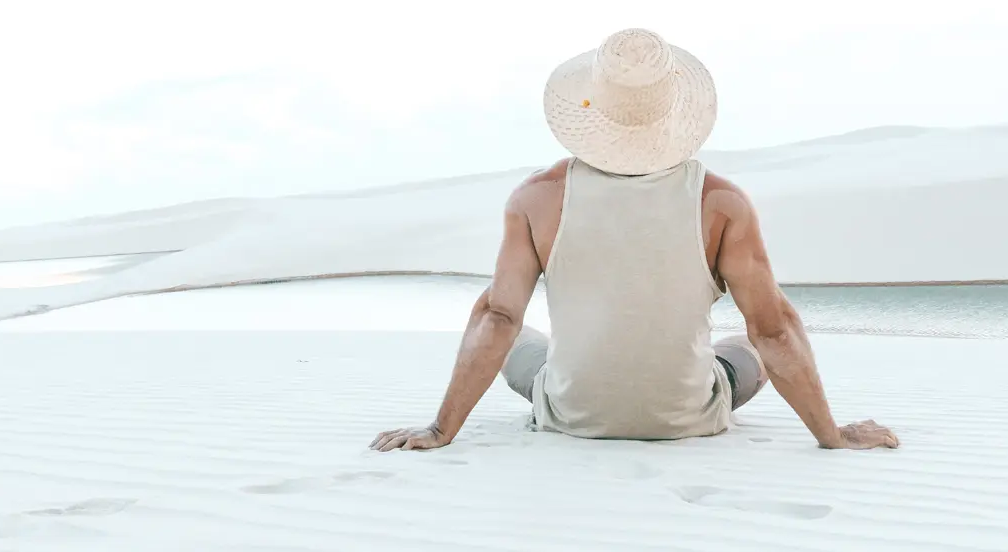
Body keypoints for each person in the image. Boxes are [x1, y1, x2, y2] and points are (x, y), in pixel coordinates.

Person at [370, 28, 899, 453]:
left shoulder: (534, 199)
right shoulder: (721, 203)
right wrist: (832, 436)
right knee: (746, 347)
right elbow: (774, 330)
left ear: (588, 110)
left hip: (571, 415)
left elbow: (497, 319)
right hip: (687, 418)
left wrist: (440, 430)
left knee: (520, 336)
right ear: (675, 113)